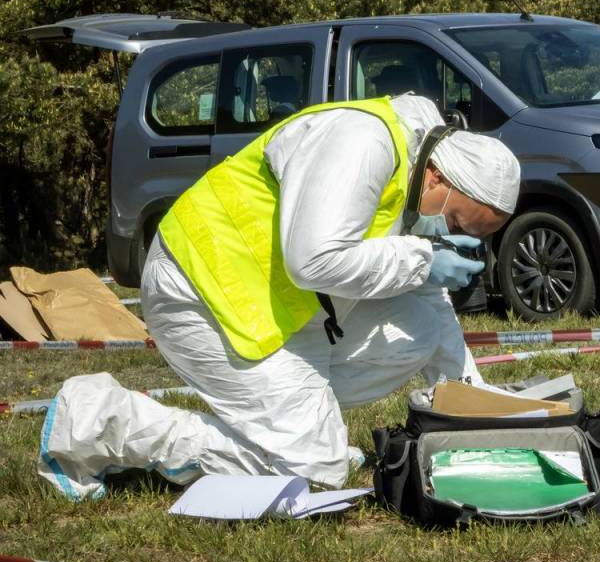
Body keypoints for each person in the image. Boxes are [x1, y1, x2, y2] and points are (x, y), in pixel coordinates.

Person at [38, 95, 521, 501]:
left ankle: (291, 430)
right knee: (313, 474)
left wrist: (475, 410)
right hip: (202, 291)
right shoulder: (362, 144)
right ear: (436, 176)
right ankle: (95, 419)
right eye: (454, 222)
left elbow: (432, 307)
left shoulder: (414, 169)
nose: (447, 233)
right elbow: (313, 261)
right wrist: (421, 258)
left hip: (274, 306)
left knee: (421, 323)